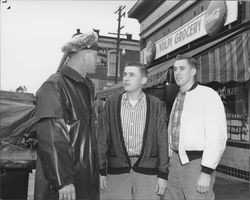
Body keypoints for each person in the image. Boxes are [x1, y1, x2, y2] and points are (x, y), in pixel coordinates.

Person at [34, 31, 99, 200]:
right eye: (96, 55)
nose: (98, 61)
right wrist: (62, 180)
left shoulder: (87, 88)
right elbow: (51, 136)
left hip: (85, 180)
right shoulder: (54, 85)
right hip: (64, 186)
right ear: (84, 55)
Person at [97, 62, 169, 200]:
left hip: (147, 172)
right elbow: (102, 139)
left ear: (143, 80)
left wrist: (163, 174)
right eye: (125, 74)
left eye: (132, 75)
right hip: (116, 171)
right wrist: (101, 171)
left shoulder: (156, 105)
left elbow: (162, 141)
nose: (126, 78)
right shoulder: (112, 103)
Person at [164, 54, 227, 200]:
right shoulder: (178, 96)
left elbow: (217, 136)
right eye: (175, 69)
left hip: (196, 164)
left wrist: (206, 171)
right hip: (174, 162)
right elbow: (172, 131)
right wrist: (169, 157)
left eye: (182, 68)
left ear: (193, 72)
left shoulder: (208, 95)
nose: (177, 72)